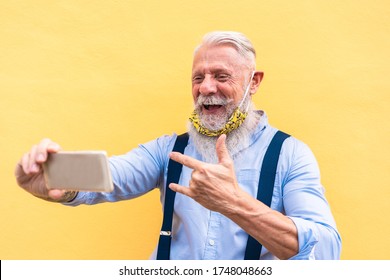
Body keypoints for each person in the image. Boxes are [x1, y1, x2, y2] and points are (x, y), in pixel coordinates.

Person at [15, 31, 341, 260]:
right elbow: (113, 172)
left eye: (221, 76)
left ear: (254, 82)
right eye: (198, 78)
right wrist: (56, 176)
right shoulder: (169, 150)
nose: (206, 87)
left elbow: (325, 249)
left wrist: (234, 203)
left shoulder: (290, 154)